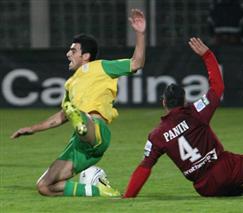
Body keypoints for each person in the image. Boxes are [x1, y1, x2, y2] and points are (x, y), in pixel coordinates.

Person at [123, 37, 243, 199]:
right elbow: (218, 87)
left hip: (205, 187)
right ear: (185, 101)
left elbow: (144, 167)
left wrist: (128, 197)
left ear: (164, 102)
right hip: (225, 168)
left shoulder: (156, 136)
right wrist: (207, 55)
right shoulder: (196, 111)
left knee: (238, 190)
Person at [10, 8, 146, 197]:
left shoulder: (101, 67)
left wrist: (140, 33)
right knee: (44, 186)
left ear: (86, 56)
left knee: (78, 113)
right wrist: (32, 128)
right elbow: (59, 117)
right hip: (80, 145)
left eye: (73, 50)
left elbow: (136, 63)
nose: (68, 54)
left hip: (97, 130)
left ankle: (81, 122)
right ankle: (99, 191)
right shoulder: (70, 84)